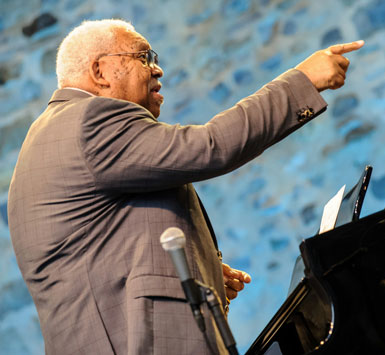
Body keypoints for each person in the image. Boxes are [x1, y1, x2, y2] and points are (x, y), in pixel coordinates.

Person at [8, 19, 363, 354]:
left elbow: (99, 251)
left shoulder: (52, 136)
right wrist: (302, 81)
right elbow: (209, 147)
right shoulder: (88, 120)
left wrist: (198, 268)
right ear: (99, 72)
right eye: (144, 57)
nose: (158, 69)